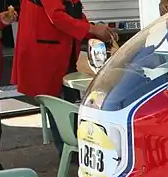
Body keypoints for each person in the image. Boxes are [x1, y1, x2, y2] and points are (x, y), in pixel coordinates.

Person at [11, 0, 116, 157]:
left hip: (62, 56)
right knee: (60, 107)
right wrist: (92, 29)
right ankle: (72, 151)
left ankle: (75, 149)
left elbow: (73, 12)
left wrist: (95, 30)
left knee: (70, 104)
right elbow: (57, 17)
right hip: (48, 56)